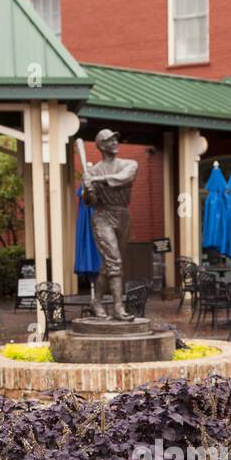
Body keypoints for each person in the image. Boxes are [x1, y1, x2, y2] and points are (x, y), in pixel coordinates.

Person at [81, 130, 138, 321]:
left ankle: (96, 302)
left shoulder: (129, 164)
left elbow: (124, 178)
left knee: (109, 265)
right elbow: (89, 201)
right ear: (101, 146)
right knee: (115, 262)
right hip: (102, 215)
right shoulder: (94, 170)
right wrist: (87, 189)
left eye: (115, 138)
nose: (114, 142)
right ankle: (118, 308)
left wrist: (95, 180)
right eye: (109, 140)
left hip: (122, 215)